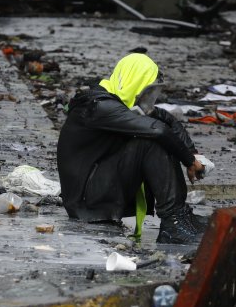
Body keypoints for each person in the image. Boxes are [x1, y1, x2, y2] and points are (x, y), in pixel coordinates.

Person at [57, 53, 207, 244]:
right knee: (150, 142)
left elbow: (165, 120)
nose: (148, 98)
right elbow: (159, 131)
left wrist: (192, 152)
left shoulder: (115, 103)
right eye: (148, 91)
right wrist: (189, 161)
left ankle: (180, 215)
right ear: (135, 82)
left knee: (157, 135)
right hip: (85, 201)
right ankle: (174, 222)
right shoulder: (100, 107)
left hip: (98, 186)